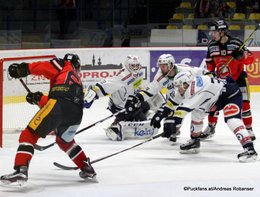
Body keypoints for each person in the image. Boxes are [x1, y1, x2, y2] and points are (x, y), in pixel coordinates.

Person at [0, 54, 96, 186]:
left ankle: (21, 169)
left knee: (29, 134)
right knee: (65, 141)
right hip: (76, 113)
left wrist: (24, 69)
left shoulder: (63, 64)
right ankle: (86, 167)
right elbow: (63, 98)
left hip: (59, 105)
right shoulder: (77, 79)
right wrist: (38, 98)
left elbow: (45, 68)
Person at [151, 71, 257, 162]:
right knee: (197, 114)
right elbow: (172, 102)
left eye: (179, 87)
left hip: (229, 94)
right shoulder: (186, 86)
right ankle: (194, 141)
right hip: (212, 98)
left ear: (185, 84)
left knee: (232, 120)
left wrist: (172, 125)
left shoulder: (195, 89)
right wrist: (159, 114)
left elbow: (182, 110)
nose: (178, 89)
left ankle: (249, 149)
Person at [124, 54, 205, 142]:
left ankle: (200, 133)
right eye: (160, 66)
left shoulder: (184, 69)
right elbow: (151, 89)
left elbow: (200, 72)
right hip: (172, 99)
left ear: (170, 65)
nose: (161, 68)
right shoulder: (160, 76)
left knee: (195, 116)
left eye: (164, 66)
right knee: (171, 125)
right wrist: (137, 97)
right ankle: (176, 130)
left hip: (189, 96)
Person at [84, 55, 163, 141]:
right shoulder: (122, 76)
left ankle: (129, 118)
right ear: (127, 65)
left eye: (137, 65)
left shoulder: (140, 72)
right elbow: (106, 84)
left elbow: (138, 86)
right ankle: (117, 123)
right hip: (120, 107)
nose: (136, 68)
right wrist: (93, 94)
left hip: (132, 101)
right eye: (133, 66)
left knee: (146, 106)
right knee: (142, 120)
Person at [202, 19, 255, 140]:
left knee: (245, 105)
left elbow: (250, 58)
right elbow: (209, 63)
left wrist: (242, 56)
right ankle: (211, 127)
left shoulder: (236, 43)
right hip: (221, 81)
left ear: (222, 32)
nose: (212, 35)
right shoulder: (211, 46)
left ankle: (249, 129)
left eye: (214, 32)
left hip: (239, 79)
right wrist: (210, 73)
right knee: (213, 104)